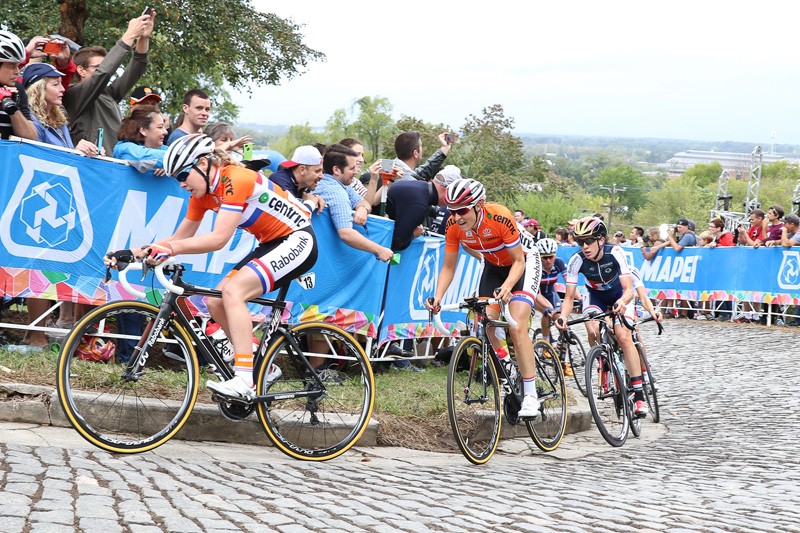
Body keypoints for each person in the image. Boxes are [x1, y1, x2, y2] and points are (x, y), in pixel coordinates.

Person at [106, 133, 323, 398]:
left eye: (183, 175)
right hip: (271, 243)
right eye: (176, 178)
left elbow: (219, 239)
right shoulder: (203, 195)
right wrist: (135, 252)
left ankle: (245, 379)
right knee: (215, 301)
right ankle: (258, 364)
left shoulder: (236, 178)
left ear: (203, 163)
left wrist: (168, 249)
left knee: (233, 293)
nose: (181, 184)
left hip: (298, 240)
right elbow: (179, 237)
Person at [426, 178, 543, 419]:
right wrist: (437, 298)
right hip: (492, 264)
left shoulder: (499, 216)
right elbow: (448, 267)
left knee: (517, 326)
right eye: (452, 210)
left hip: (523, 263)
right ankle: (509, 367)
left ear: (479, 205)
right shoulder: (453, 225)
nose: (457, 217)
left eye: (462, 210)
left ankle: (531, 395)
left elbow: (518, 261)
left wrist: (508, 287)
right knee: (485, 324)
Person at [555, 216, 648, 418]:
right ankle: (603, 361)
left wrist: (622, 302)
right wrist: (562, 316)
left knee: (623, 336)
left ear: (601, 240)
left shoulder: (614, 252)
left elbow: (629, 290)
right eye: (580, 242)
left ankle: (639, 396)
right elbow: (570, 297)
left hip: (619, 294)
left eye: (589, 241)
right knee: (592, 329)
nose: (585, 246)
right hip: (594, 295)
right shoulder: (576, 260)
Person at [64, 11, 154, 153]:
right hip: (91, 166)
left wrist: (143, 37)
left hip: (114, 164)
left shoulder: (108, 94)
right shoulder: (74, 94)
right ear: (80, 70)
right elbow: (104, 73)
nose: (105, 69)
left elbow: (136, 68)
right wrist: (130, 34)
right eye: (97, 67)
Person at [314, 144, 394, 262]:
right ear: (336, 170)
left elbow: (365, 203)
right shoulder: (335, 192)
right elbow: (346, 233)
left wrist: (363, 209)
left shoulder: (342, 185)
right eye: (351, 168)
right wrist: (380, 250)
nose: (356, 171)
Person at [385, 164, 461, 250]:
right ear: (446, 189)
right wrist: (414, 234)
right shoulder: (419, 204)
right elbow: (398, 242)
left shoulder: (419, 187)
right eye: (453, 195)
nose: (452, 200)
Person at [532, 238, 569, 373]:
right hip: (538, 295)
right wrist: (549, 308)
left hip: (551, 292)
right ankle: (546, 343)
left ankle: (563, 358)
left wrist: (580, 299)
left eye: (551, 257)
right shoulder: (535, 266)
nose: (548, 260)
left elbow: (570, 284)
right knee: (547, 312)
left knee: (561, 319)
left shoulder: (558, 263)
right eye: (545, 257)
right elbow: (538, 294)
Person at [0, 30, 37, 140]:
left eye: (18, 65)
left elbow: (31, 136)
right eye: (11, 66)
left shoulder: (17, 89)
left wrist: (12, 109)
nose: (17, 71)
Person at [112, 105, 168, 173]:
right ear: (143, 130)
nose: (166, 132)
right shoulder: (124, 149)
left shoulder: (161, 148)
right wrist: (169, 162)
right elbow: (141, 157)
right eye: (160, 127)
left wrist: (170, 168)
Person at [267, 145, 326, 210]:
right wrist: (311, 202)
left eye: (322, 171)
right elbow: (294, 215)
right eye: (317, 171)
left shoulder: (303, 184)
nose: (322, 176)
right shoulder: (279, 181)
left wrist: (315, 197)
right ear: (302, 170)